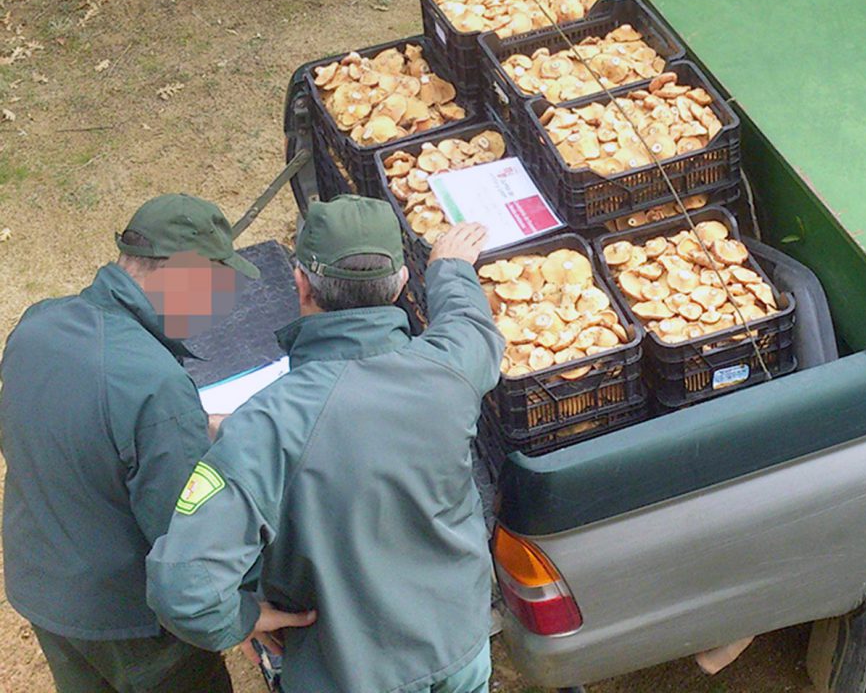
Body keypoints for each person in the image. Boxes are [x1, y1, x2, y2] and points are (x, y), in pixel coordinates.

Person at [147, 195, 505, 693]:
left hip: (348, 673)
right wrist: (449, 269)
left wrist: (242, 619)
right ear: (402, 284)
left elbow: (185, 589)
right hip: (457, 649)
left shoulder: (267, 423)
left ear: (299, 284)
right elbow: (470, 326)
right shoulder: (451, 368)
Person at [0, 194, 260, 693]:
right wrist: (243, 612)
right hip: (127, 622)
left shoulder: (39, 321)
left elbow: (79, 423)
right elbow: (187, 540)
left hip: (42, 588)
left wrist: (193, 424)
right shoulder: (155, 385)